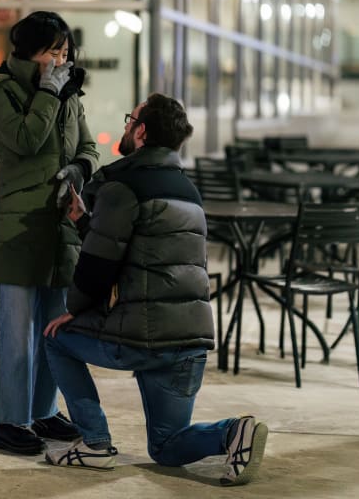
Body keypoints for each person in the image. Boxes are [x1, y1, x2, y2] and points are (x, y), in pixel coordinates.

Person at [43, 93, 268, 485]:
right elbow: (144, 247)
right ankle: (234, 432)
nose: (127, 126)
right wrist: (84, 223)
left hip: (145, 338)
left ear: (141, 131)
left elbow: (98, 266)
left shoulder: (122, 185)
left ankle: (94, 444)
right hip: (189, 343)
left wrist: (73, 310)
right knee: (166, 447)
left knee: (56, 339)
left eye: (131, 120)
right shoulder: (188, 190)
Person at [0, 11, 100, 456]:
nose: (60, 60)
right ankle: (9, 421)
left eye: (65, 51)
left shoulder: (67, 92)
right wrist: (47, 92)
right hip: (16, 227)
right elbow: (26, 140)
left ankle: (42, 410)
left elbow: (88, 146)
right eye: (51, 51)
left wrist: (79, 168)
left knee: (52, 331)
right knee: (14, 333)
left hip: (60, 227)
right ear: (27, 51)